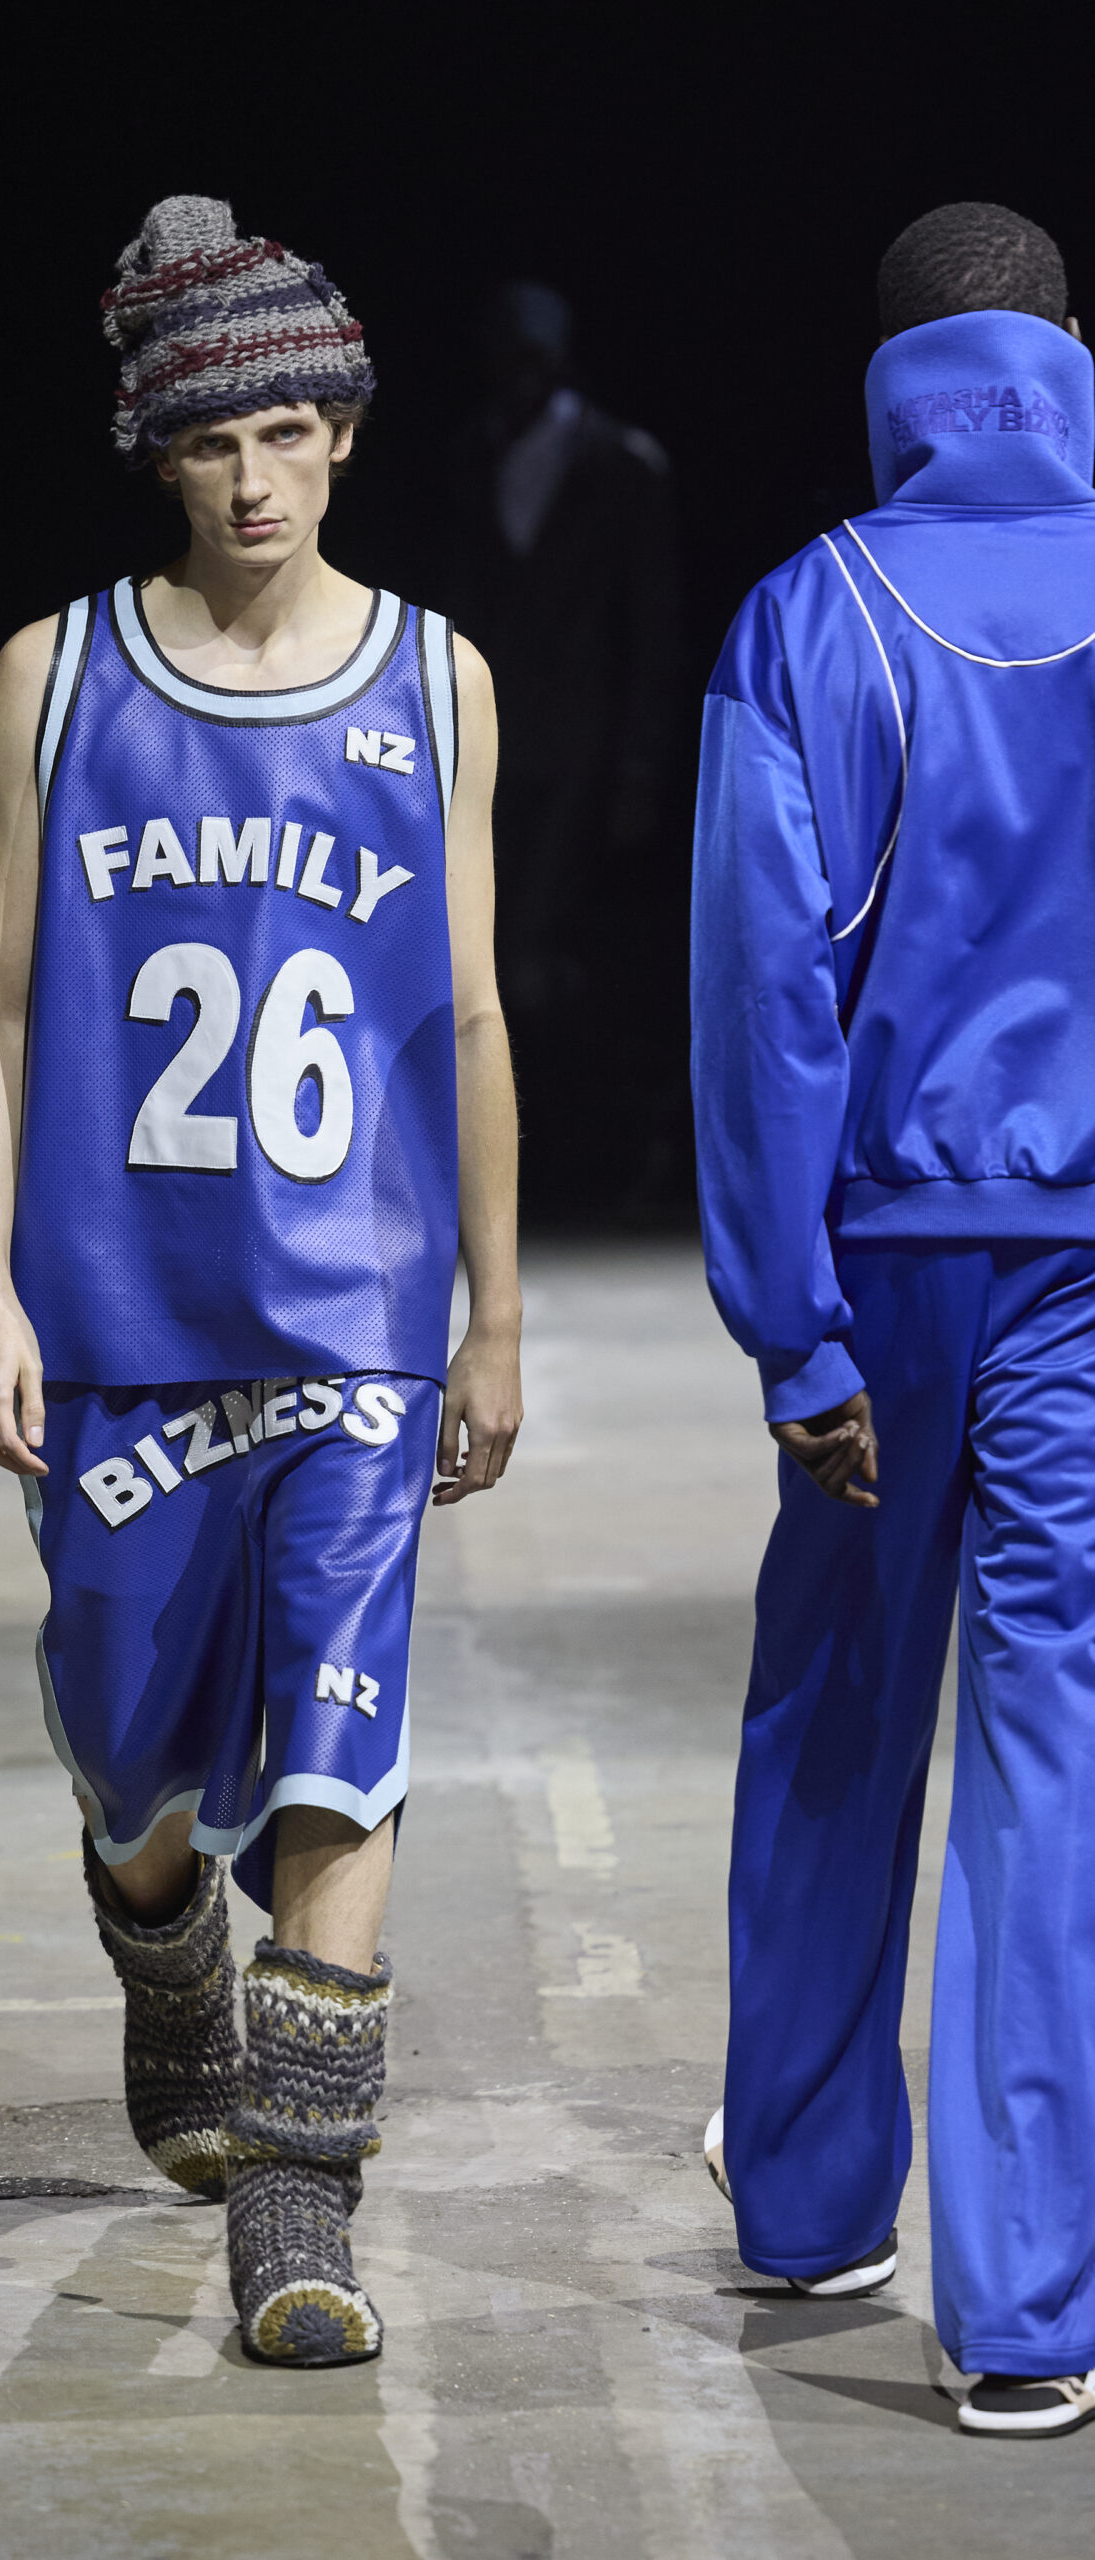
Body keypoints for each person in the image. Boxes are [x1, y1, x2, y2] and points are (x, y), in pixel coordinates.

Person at [0, 196, 522, 2368]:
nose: (256, 478)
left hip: (354, 1318)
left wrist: (492, 1316)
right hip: (118, 1322)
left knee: (341, 1748)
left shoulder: (436, 678)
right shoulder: (58, 672)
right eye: (213, 442)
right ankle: (153, 1925)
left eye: (289, 431)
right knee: (130, 1750)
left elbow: (466, 1013)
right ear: (157, 452)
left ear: (345, 428)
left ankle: (300, 2201)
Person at [691, 201, 1095, 2438]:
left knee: (839, 1710)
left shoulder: (808, 612)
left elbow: (762, 995)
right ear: (1065, 353)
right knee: (1054, 1748)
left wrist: (792, 1329)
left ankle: (807, 2200)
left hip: (875, 1254)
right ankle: (1023, 2311)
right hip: (1085, 1266)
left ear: (891, 377)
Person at [440, 283, 682, 1218]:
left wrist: (638, 766)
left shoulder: (621, 462)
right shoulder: (471, 455)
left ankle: (581, 1160)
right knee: (490, 950)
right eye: (502, 355)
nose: (515, 375)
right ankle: (509, 1166)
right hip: (488, 742)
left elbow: (650, 625)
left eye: (530, 356)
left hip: (587, 746)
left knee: (562, 951)